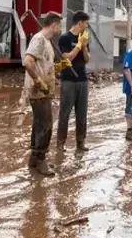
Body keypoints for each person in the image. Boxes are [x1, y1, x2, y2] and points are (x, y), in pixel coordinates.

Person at [22, 11, 65, 176]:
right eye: (59, 25)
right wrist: (38, 81)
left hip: (44, 90)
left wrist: (59, 68)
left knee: (39, 124)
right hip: (38, 90)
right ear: (54, 25)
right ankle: (41, 160)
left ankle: (33, 160)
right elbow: (28, 62)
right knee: (46, 125)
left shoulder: (46, 41)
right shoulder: (39, 39)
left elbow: (43, 64)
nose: (59, 28)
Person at [56, 11, 91, 153]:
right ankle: (60, 143)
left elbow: (87, 59)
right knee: (65, 113)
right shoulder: (64, 38)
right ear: (80, 23)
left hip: (83, 79)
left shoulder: (84, 38)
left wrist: (83, 46)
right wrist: (78, 45)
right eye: (86, 24)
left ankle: (80, 142)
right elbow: (67, 58)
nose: (87, 27)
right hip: (68, 80)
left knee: (82, 114)